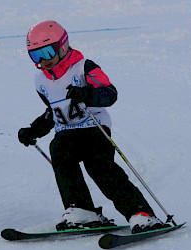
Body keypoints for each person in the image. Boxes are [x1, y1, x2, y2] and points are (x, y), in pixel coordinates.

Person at [18, 20, 169, 233]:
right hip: (67, 131)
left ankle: (141, 213)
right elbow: (52, 112)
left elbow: (110, 94)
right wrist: (33, 130)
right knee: (59, 151)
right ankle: (82, 210)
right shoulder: (40, 81)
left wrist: (88, 94)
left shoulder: (84, 67)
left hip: (94, 127)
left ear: (62, 46)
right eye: (35, 55)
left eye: (47, 52)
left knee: (99, 167)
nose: (43, 60)